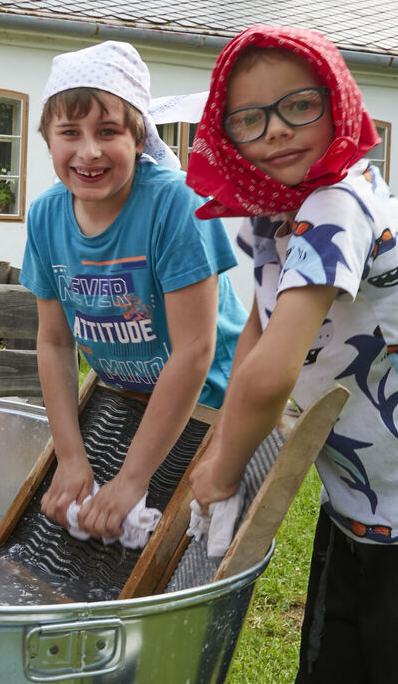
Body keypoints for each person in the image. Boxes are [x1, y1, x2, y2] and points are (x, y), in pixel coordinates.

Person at [184, 26, 398, 682]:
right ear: (227, 134)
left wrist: (223, 469)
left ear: (337, 101)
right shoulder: (270, 214)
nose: (276, 130)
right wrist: (221, 438)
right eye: (250, 118)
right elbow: (257, 330)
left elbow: (275, 370)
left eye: (298, 106)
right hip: (359, 513)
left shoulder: (338, 202)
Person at [20, 40, 247, 542]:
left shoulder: (176, 205)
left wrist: (131, 479)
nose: (89, 151)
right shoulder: (45, 217)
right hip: (124, 398)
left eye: (108, 132)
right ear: (47, 139)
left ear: (139, 136)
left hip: (212, 407)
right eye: (69, 133)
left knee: (191, 552)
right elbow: (55, 343)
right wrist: (72, 458)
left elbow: (194, 350)